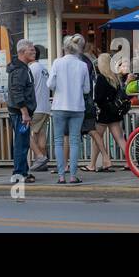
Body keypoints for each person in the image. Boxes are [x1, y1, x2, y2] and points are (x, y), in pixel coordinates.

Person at [48, 36, 92, 184]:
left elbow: (50, 84)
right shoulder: (82, 65)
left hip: (60, 106)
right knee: (74, 142)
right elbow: (86, 89)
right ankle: (73, 175)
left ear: (64, 48)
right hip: (77, 106)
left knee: (58, 141)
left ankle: (61, 175)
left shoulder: (57, 63)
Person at [90, 52, 127, 172]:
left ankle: (92, 164)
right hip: (115, 112)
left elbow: (98, 98)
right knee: (120, 138)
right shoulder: (115, 77)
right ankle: (130, 162)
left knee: (97, 138)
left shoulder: (101, 78)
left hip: (104, 113)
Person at [7, 39, 37, 183]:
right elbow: (17, 92)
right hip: (20, 113)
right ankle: (18, 173)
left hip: (20, 112)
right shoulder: (20, 70)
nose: (34, 51)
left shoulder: (23, 68)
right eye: (31, 50)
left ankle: (23, 172)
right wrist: (24, 112)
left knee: (23, 142)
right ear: (22, 52)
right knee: (21, 143)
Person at [29, 46, 51, 172]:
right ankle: (42, 162)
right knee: (41, 134)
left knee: (25, 132)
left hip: (35, 107)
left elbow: (29, 88)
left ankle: (40, 158)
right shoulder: (44, 69)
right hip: (46, 107)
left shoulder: (31, 69)